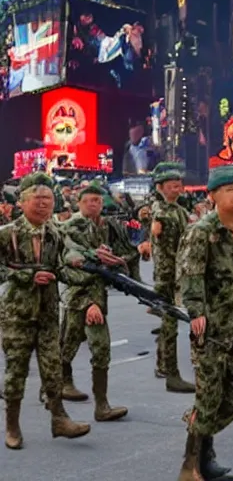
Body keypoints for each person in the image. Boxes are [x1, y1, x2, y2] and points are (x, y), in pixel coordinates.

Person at [175, 163, 233, 481]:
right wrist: (196, 312)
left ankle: (201, 439)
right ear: (213, 195)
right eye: (232, 190)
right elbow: (191, 274)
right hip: (210, 328)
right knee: (209, 396)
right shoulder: (201, 232)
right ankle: (192, 466)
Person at [1, 172, 91, 450]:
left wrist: (81, 269)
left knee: (53, 368)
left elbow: (65, 264)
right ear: (22, 202)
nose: (43, 204)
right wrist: (27, 277)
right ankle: (12, 425)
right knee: (16, 370)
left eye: (48, 199)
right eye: (37, 199)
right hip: (17, 313)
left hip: (49, 312)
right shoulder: (7, 234)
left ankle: (59, 419)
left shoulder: (55, 233)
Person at [58, 182, 130, 422]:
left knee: (90, 346)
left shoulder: (107, 226)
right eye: (89, 200)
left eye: (98, 201)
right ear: (79, 203)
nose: (94, 204)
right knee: (71, 343)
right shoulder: (72, 227)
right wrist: (91, 302)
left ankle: (101, 404)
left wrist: (120, 261)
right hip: (78, 294)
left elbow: (124, 252)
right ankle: (62, 386)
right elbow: (72, 261)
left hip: (96, 294)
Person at [149, 162, 195, 393]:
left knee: (169, 322)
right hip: (168, 275)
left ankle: (163, 365)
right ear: (160, 187)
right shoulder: (163, 212)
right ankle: (169, 370)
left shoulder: (178, 210)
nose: (177, 189)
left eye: (179, 185)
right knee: (170, 323)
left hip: (176, 272)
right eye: (172, 186)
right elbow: (168, 247)